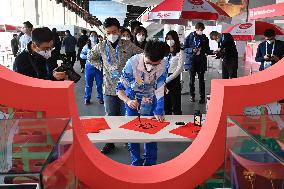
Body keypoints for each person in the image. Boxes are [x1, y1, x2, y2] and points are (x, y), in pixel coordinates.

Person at [88, 17, 143, 154]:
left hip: (126, 88)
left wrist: (134, 70)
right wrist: (101, 66)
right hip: (109, 87)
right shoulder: (101, 46)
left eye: (114, 31)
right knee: (111, 115)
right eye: (108, 33)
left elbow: (142, 56)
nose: (111, 35)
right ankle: (110, 142)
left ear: (119, 31)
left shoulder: (128, 45)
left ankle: (127, 139)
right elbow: (90, 57)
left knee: (127, 114)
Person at [117, 40, 168, 166]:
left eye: (155, 64)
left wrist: (159, 107)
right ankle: (136, 161)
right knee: (132, 132)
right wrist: (128, 100)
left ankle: (150, 162)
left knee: (152, 131)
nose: (151, 67)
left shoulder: (163, 63)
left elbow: (160, 87)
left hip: (151, 99)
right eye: (148, 63)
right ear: (144, 54)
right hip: (133, 100)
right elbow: (119, 88)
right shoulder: (132, 63)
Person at [184, 22, 211, 104]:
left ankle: (202, 97)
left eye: (202, 30)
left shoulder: (204, 37)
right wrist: (191, 50)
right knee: (192, 80)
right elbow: (184, 48)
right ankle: (192, 95)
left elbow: (207, 49)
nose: (201, 31)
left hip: (201, 61)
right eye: (200, 30)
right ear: (196, 29)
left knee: (201, 80)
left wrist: (213, 52)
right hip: (192, 61)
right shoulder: (189, 37)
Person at [164, 30, 184, 115]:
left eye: (171, 39)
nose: (169, 40)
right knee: (166, 105)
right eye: (167, 39)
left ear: (175, 39)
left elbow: (179, 69)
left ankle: (178, 124)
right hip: (164, 79)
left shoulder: (180, 52)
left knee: (176, 105)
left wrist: (167, 80)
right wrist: (162, 80)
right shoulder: (165, 52)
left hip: (174, 79)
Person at [81, 39, 104, 105]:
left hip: (99, 68)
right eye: (92, 36)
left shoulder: (101, 46)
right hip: (89, 68)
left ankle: (101, 98)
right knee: (88, 84)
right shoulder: (86, 47)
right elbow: (81, 55)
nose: (93, 37)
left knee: (100, 84)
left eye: (95, 36)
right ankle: (87, 98)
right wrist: (88, 56)